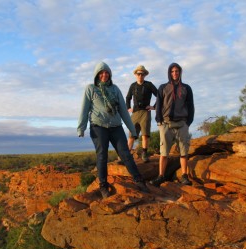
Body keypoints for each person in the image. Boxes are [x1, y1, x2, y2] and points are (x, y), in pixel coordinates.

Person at [77, 61, 149, 198]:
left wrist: (132, 130)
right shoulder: (91, 88)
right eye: (101, 73)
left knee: (126, 154)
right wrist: (81, 128)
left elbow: (123, 110)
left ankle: (139, 181)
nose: (104, 75)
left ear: (109, 74)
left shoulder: (115, 89)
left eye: (106, 73)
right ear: (97, 75)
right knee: (102, 155)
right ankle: (103, 186)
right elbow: (84, 109)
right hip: (98, 127)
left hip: (116, 127)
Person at [149, 62, 195, 187]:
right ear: (169, 73)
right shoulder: (163, 87)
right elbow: (158, 104)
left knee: (184, 152)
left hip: (182, 124)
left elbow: (191, 106)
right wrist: (159, 121)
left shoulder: (186, 88)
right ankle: (161, 176)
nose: (174, 73)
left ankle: (184, 176)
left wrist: (188, 123)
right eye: (172, 71)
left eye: (177, 71)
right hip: (166, 123)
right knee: (164, 153)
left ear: (180, 72)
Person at [125, 65, 158, 162]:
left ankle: (144, 154)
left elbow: (160, 95)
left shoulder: (149, 85)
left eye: (142, 74)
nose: (140, 76)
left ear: (144, 75)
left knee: (145, 135)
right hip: (135, 113)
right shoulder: (133, 86)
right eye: (138, 74)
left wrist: (154, 107)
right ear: (135, 75)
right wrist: (128, 108)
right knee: (131, 135)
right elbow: (128, 98)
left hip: (145, 112)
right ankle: (126, 156)